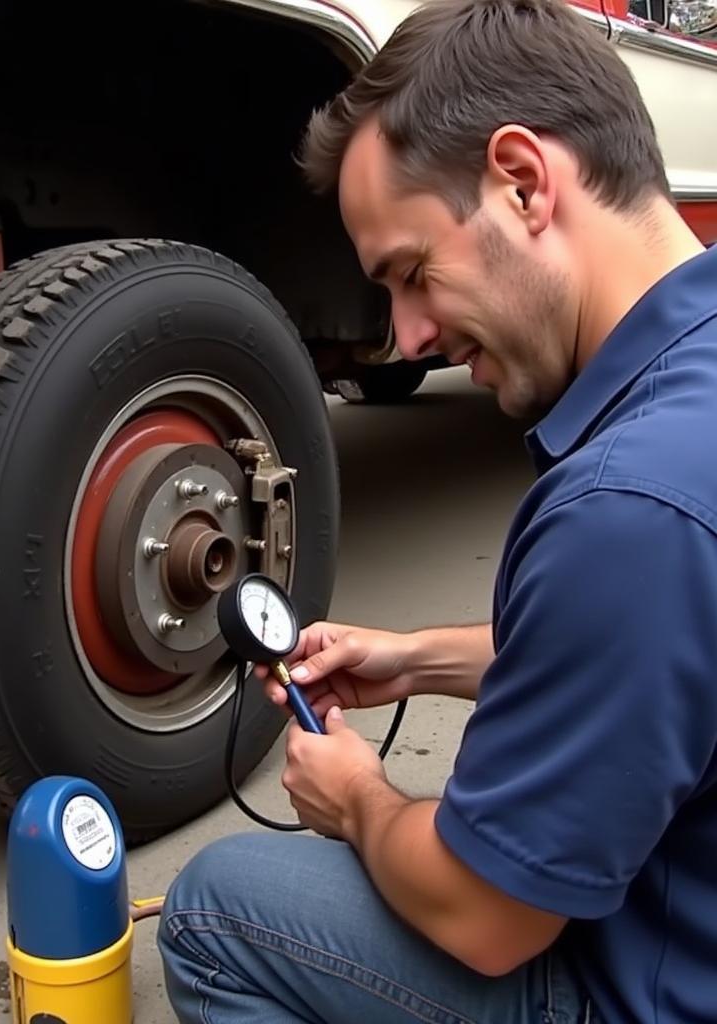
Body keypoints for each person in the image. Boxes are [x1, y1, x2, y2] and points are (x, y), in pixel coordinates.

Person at [156, 0, 717, 1020]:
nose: (406, 336)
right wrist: (416, 658)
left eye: (412, 274)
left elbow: (487, 918)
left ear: (521, 181)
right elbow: (659, 661)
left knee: (215, 910)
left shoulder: (628, 510)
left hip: (665, 985)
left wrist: (358, 802)